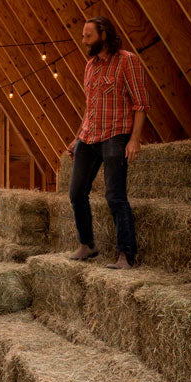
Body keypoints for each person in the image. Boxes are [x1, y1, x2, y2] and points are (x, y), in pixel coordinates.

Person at [65, 17, 150, 270]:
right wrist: (77, 136)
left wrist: (134, 140)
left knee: (115, 196)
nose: (84, 41)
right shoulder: (90, 66)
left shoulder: (128, 61)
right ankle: (87, 245)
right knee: (76, 193)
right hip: (88, 136)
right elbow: (91, 107)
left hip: (115, 135)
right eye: (83, 36)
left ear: (104, 34)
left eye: (88, 36)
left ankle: (125, 255)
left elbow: (141, 104)